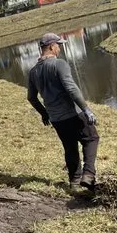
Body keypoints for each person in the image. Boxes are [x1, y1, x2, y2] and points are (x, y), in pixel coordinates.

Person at [27, 33, 100, 190]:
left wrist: (44, 113)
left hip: (56, 118)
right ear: (51, 47)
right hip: (73, 113)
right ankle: (88, 174)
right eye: (58, 45)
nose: (59, 48)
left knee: (69, 147)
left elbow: (31, 98)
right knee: (91, 139)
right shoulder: (59, 64)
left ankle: (74, 182)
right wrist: (86, 109)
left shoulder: (33, 72)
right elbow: (71, 88)